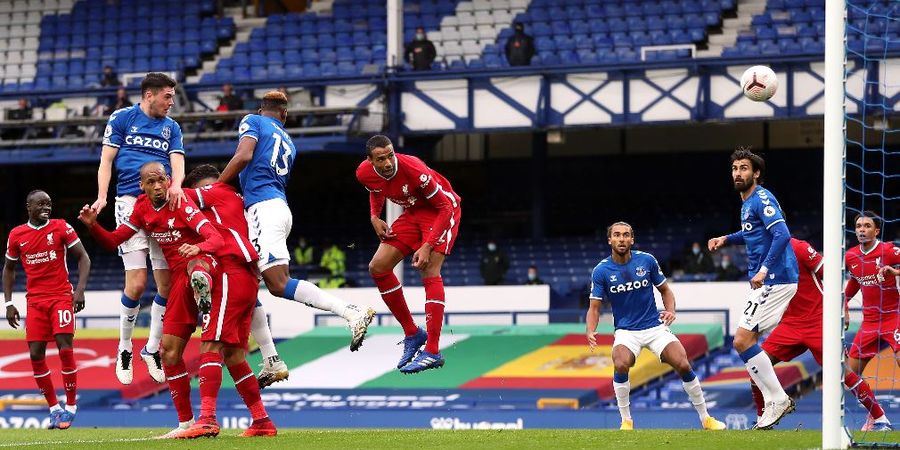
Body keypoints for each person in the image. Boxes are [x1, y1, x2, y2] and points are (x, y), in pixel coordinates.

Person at [218, 91, 374, 386]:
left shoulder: (252, 121)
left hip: (264, 210)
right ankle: (272, 361)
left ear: (262, 109)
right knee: (247, 281)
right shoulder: (289, 141)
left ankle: (351, 312)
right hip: (275, 208)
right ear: (285, 115)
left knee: (277, 284)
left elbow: (244, 155)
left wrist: (216, 187)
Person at [79, 162, 224, 439]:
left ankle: (203, 287)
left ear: (169, 180)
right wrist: (93, 226)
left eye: (161, 180)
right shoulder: (142, 209)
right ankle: (186, 424)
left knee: (198, 269)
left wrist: (198, 247)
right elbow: (113, 241)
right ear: (142, 187)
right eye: (152, 182)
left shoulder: (180, 201)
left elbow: (214, 238)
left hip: (202, 261)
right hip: (179, 282)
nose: (158, 186)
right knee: (169, 353)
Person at [92, 72, 186, 386]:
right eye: (167, 96)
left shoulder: (171, 127)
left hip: (162, 206)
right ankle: (124, 349)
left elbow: (177, 162)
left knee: (167, 286)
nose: (171, 102)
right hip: (130, 203)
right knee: (136, 284)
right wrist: (103, 196)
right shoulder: (122, 118)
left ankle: (152, 349)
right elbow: (106, 161)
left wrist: (178, 187)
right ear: (150, 95)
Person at [586, 222, 725, 431]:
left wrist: (671, 311)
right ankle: (626, 421)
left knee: (684, 364)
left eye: (626, 235)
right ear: (610, 240)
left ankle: (706, 419)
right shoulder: (601, 271)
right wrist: (590, 329)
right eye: (617, 235)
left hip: (654, 327)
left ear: (632, 239)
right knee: (621, 363)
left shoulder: (647, 260)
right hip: (626, 332)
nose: (621, 239)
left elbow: (666, 291)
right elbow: (594, 308)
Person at [748, 238, 892, 431]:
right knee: (756, 366)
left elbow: (831, 275)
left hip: (819, 319)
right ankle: (764, 419)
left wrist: (842, 307)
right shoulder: (763, 252)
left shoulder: (799, 247)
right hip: (790, 323)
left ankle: (880, 418)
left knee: (843, 372)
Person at [180, 164, 279, 437]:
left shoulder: (217, 191)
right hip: (246, 276)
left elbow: (176, 197)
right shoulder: (235, 200)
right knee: (233, 353)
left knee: (210, 343)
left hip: (229, 271)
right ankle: (262, 420)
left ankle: (208, 418)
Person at [707, 147, 799, 430]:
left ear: (756, 173)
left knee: (742, 341)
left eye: (744, 168)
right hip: (768, 281)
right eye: (735, 168)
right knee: (744, 342)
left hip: (776, 279)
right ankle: (774, 399)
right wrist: (726, 238)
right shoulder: (746, 202)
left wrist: (764, 269)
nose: (738, 173)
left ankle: (779, 397)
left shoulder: (761, 197)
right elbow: (750, 233)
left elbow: (782, 234)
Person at [357, 135, 462, 373]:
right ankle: (412, 333)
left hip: (441, 211)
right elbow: (376, 189)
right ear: (370, 161)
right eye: (381, 159)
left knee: (429, 268)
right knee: (378, 267)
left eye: (390, 156)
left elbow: (445, 207)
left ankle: (433, 351)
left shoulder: (413, 168)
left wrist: (427, 246)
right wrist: (375, 216)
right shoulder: (364, 172)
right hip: (414, 211)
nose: (387, 163)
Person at [4, 190, 90, 430]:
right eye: (41, 203)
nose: (46, 207)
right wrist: (9, 303)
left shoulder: (61, 227)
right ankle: (54, 408)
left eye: (49, 203)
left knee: (64, 348)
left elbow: (84, 258)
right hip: (35, 302)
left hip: (61, 297)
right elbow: (8, 269)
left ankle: (71, 405)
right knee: (35, 353)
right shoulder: (16, 234)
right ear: (28, 206)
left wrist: (79, 291)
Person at [845, 212, 900, 397]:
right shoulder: (851, 256)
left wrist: (895, 272)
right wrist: (843, 304)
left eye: (867, 226)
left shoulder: (889, 250)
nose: (862, 229)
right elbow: (854, 281)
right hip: (869, 323)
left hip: (893, 317)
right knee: (848, 377)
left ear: (876, 231)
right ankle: (877, 416)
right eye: (859, 226)